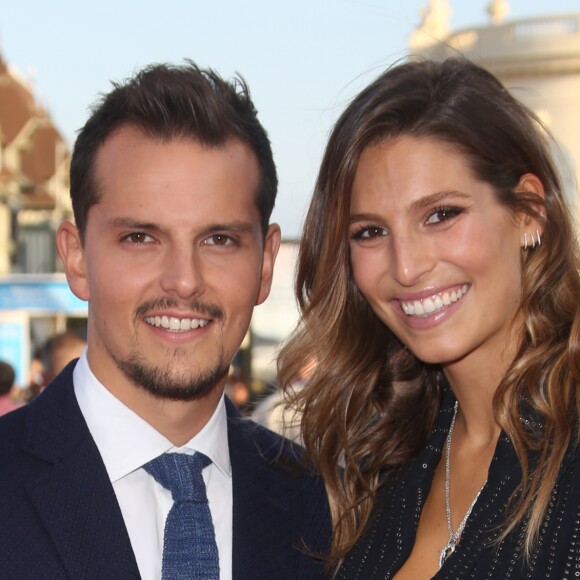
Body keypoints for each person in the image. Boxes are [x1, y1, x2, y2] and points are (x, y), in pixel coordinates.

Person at [0, 61, 330, 579]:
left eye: (219, 239)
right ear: (77, 258)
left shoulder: (316, 503)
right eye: (140, 238)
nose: (183, 280)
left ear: (265, 264)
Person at [277, 57, 580, 579]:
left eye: (441, 215)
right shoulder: (391, 452)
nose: (408, 267)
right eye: (370, 231)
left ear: (529, 212)